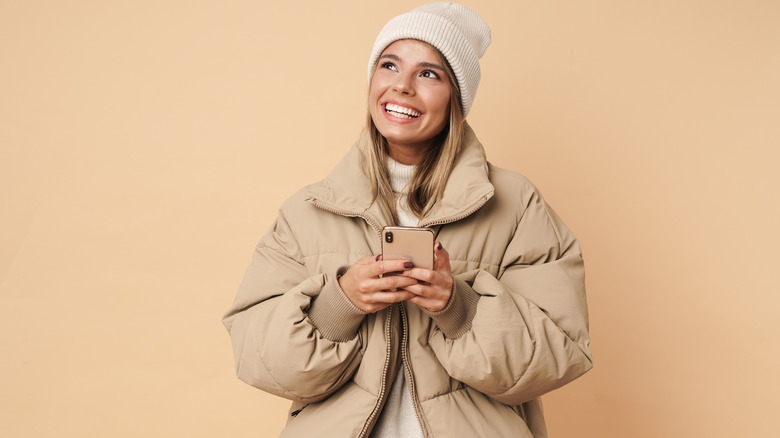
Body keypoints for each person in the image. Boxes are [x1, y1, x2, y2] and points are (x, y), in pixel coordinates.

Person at [222, 3, 593, 437]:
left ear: (457, 96)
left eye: (429, 74)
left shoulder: (516, 204)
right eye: (389, 65)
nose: (402, 87)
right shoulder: (307, 210)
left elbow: (559, 355)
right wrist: (341, 303)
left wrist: (457, 306)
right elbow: (257, 359)